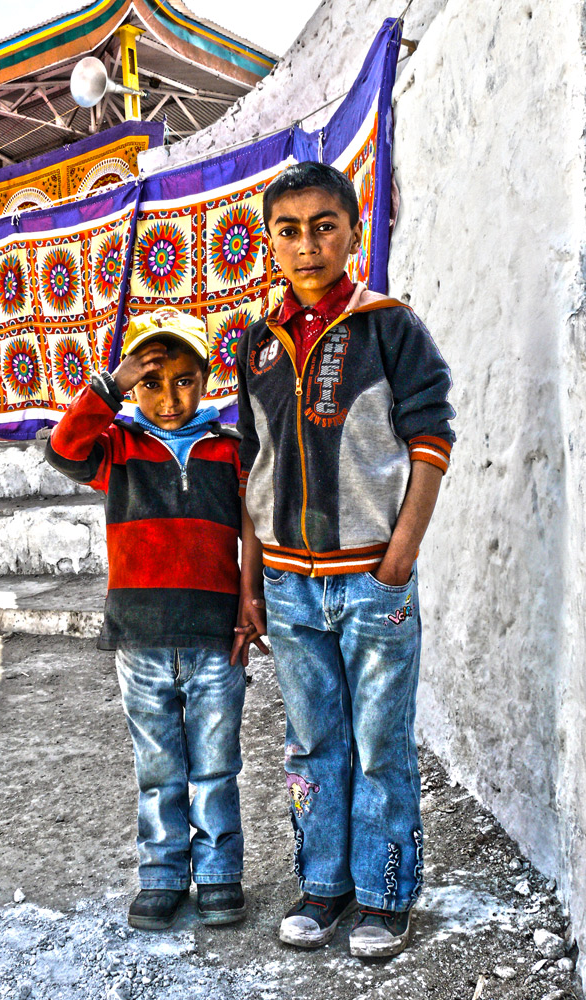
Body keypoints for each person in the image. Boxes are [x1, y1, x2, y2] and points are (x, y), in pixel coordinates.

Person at [232, 161, 455, 957]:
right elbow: (254, 469)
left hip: (373, 581)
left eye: (324, 225)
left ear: (354, 233)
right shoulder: (255, 345)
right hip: (289, 586)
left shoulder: (390, 325)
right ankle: (325, 886)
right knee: (310, 742)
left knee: (379, 743)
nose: (307, 245)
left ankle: (386, 896)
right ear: (270, 244)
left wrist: (401, 553)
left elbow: (432, 437)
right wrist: (250, 585)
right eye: (288, 231)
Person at [45, 307, 265, 930]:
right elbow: (64, 449)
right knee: (159, 766)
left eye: (184, 379)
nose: (170, 397)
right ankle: (163, 873)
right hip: (139, 639)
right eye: (152, 381)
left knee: (217, 761)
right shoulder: (117, 447)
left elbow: (252, 527)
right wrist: (109, 387)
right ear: (132, 387)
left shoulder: (228, 450)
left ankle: (220, 873)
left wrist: (252, 602)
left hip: (215, 637)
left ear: (206, 378)